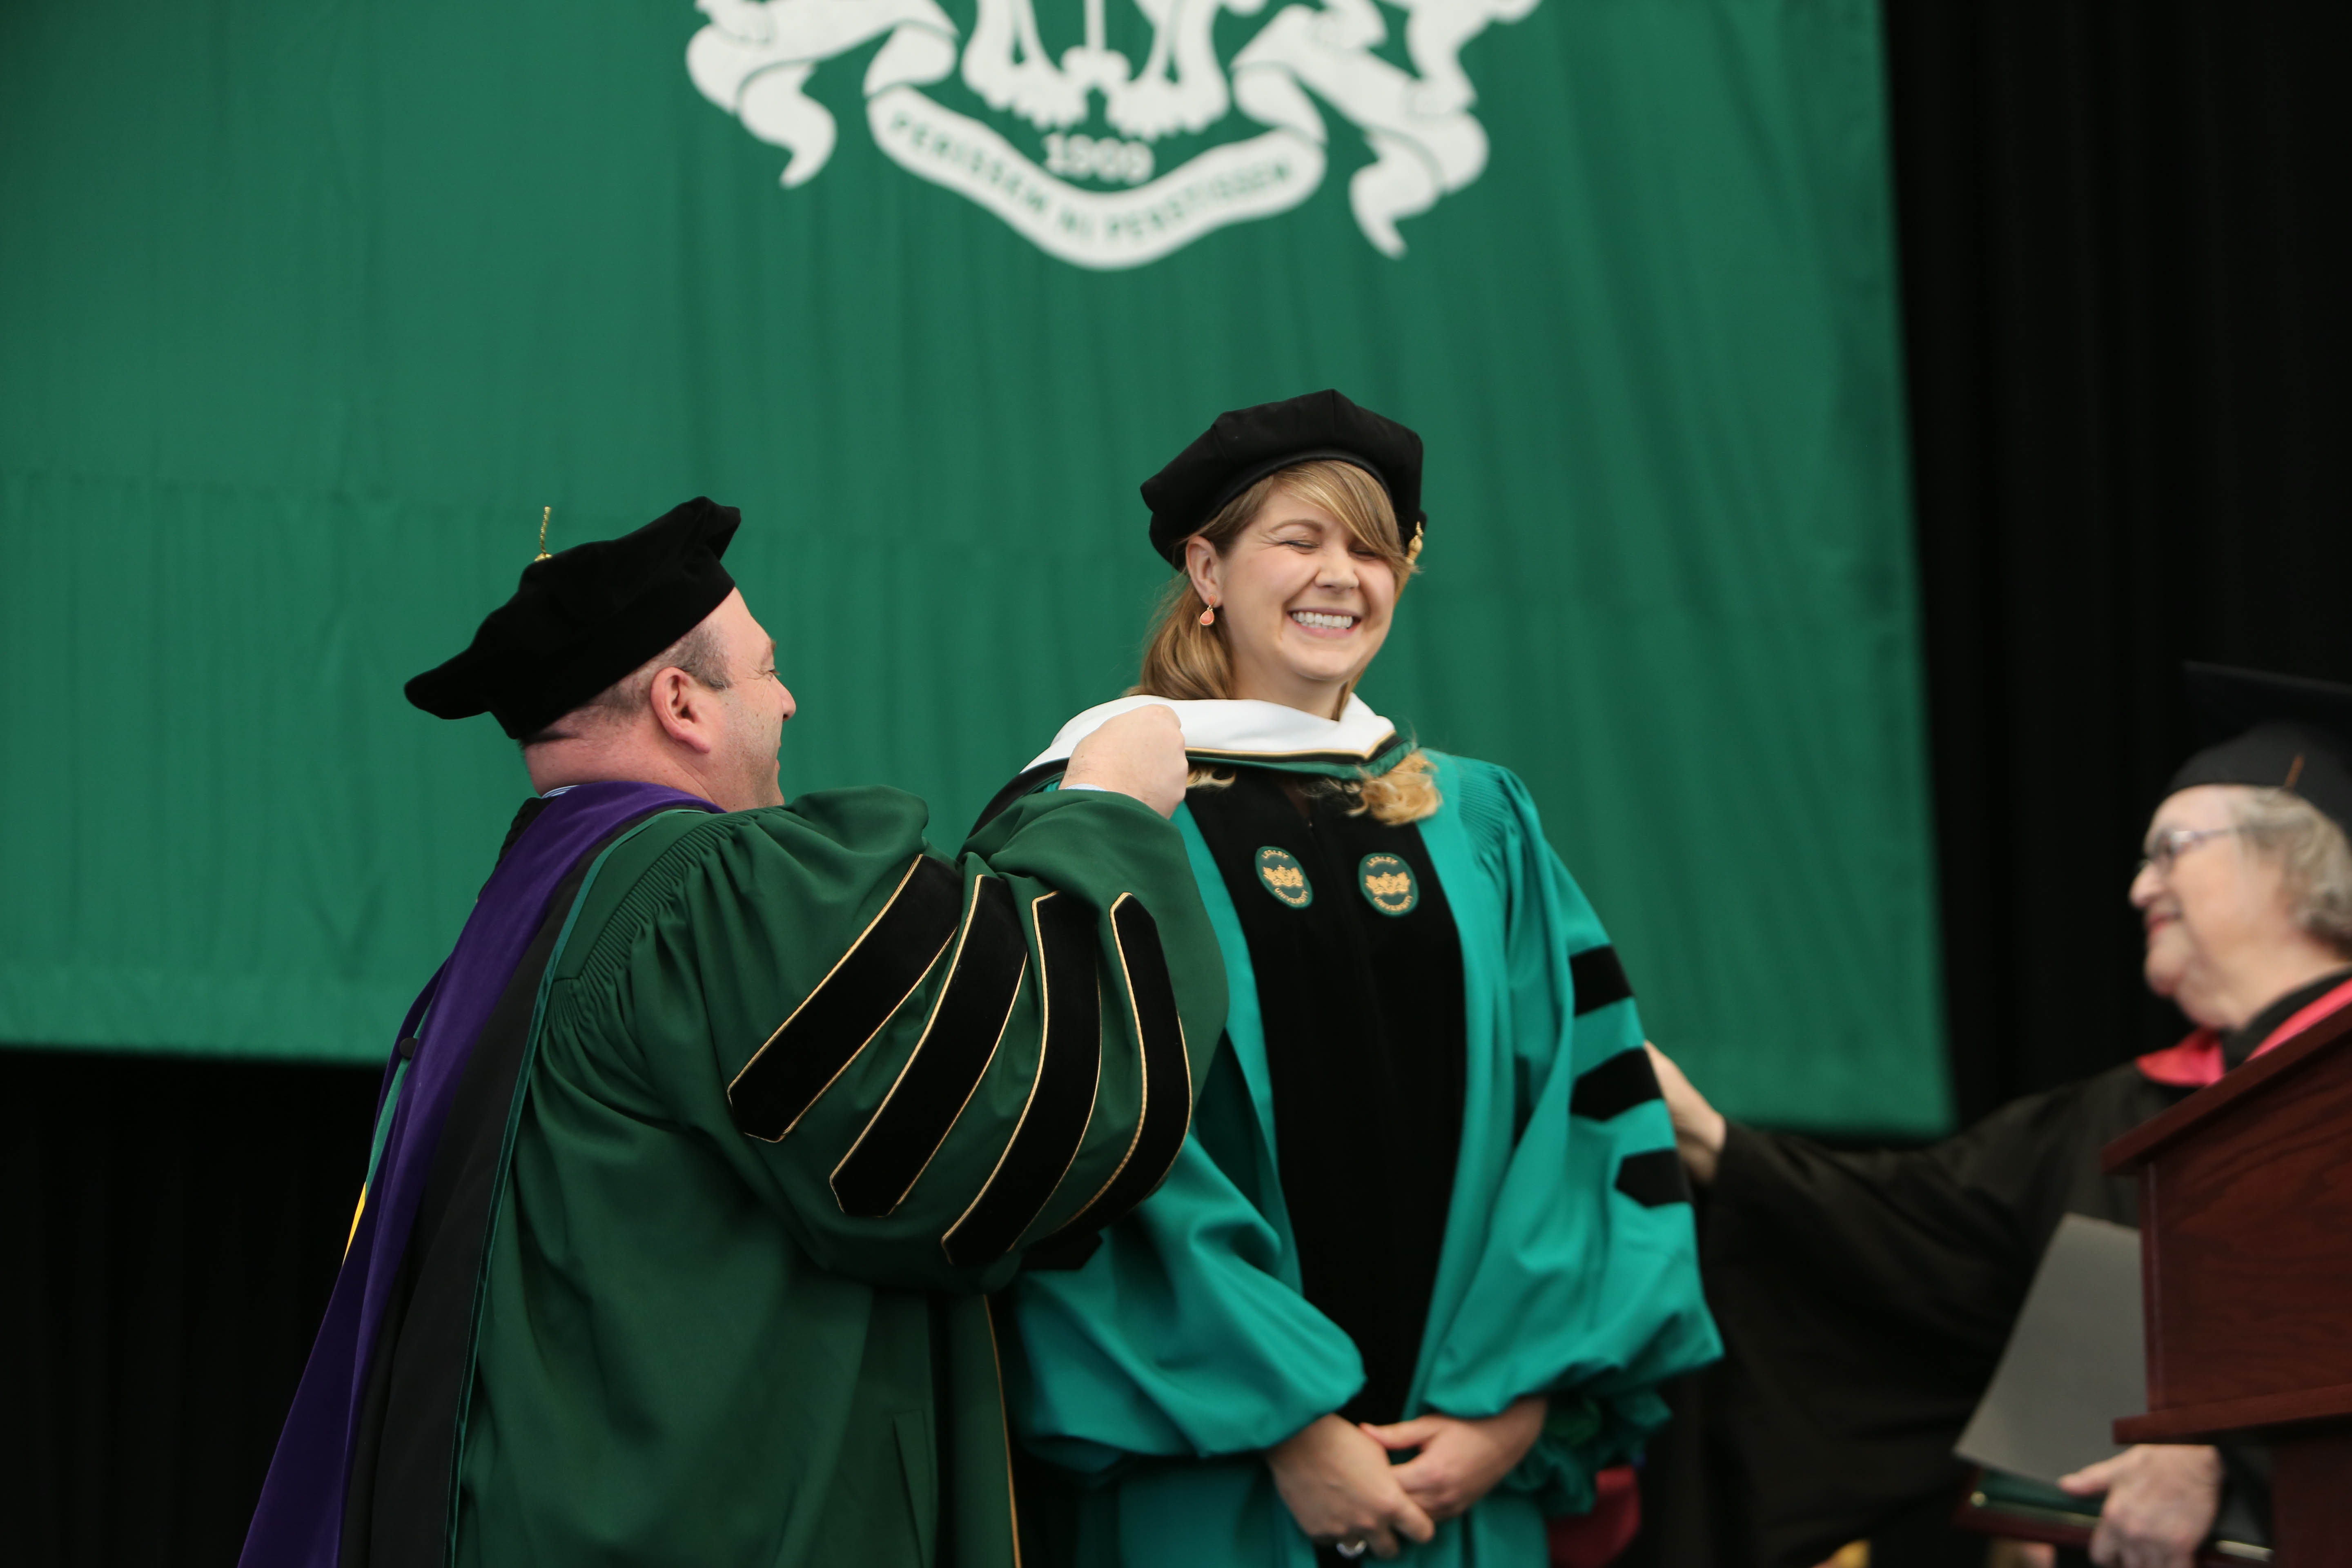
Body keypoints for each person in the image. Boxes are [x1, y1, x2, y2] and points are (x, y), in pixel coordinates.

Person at [238, 498, 1227, 1568]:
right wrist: (1109, 815)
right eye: (766, 669)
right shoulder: (701, 889)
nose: (791, 700)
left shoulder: (520, 921)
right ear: (682, 703)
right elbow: (996, 1117)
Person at [986, 391, 1721, 1567]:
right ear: (1207, 566)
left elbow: (1583, 1116)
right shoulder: (1106, 810)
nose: (1344, 576)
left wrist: (1513, 1408)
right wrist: (1283, 1417)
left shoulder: (1478, 818)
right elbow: (1090, 1148)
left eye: (1373, 549)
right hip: (1214, 1478)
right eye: (1301, 539)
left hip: (1463, 1478)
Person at [1644, 664, 2352, 1568]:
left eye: (2172, 849)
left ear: (2297, 860)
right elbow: (1914, 1230)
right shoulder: (2117, 1114)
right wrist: (1709, 1139)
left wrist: (2219, 1448)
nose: (2139, 889)